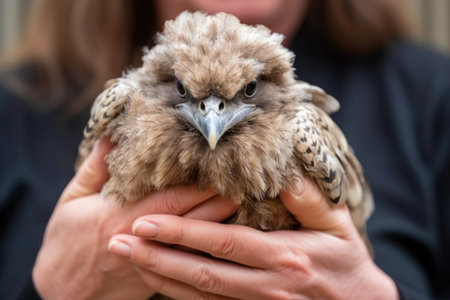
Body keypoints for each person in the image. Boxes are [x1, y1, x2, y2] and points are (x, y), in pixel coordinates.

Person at [1, 0, 449, 299]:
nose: (211, 120)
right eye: (184, 92)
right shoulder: (58, 107)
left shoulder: (422, 98)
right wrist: (50, 288)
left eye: (247, 91)